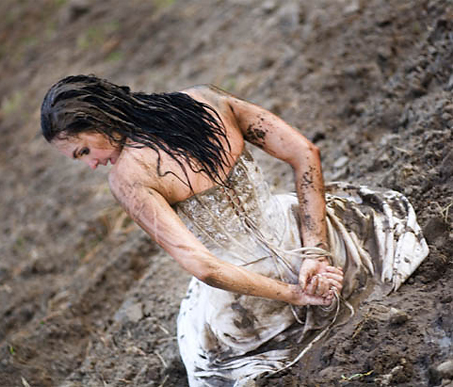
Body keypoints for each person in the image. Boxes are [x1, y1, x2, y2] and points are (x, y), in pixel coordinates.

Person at [41, 75, 428, 386]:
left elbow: (207, 269)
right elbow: (304, 153)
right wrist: (316, 252)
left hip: (252, 306)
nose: (90, 165)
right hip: (326, 246)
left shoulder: (128, 179)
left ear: (98, 121)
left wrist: (294, 295)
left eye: (82, 152)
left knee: (207, 352)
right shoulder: (206, 100)